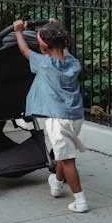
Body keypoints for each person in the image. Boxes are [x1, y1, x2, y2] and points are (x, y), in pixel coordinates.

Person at [13, 19, 89, 213]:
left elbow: (24, 52)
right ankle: (56, 182)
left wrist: (18, 32)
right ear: (64, 44)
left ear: (43, 46)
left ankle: (80, 201)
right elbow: (63, 50)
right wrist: (56, 25)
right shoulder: (72, 62)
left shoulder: (44, 64)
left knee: (68, 158)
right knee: (63, 152)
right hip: (76, 116)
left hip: (57, 118)